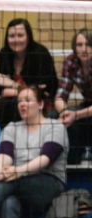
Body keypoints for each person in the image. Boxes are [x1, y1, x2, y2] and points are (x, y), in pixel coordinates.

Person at [0, 84, 68, 218]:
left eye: (27, 100)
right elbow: (4, 154)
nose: (22, 104)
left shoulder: (55, 126)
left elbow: (46, 159)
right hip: (15, 183)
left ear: (40, 104)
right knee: (8, 204)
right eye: (19, 101)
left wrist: (19, 171)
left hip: (48, 183)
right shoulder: (12, 128)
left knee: (5, 184)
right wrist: (0, 170)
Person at [0, 18, 58, 129]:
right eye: (12, 36)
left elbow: (45, 92)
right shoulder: (4, 54)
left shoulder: (41, 53)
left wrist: (11, 84)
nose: (16, 40)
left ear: (28, 36)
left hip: (40, 105)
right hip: (14, 104)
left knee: (15, 104)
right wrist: (28, 90)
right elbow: (2, 92)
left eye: (20, 35)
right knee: (3, 104)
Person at [54, 28, 92, 164]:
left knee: (77, 118)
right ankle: (69, 162)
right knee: (54, 116)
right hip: (87, 104)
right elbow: (60, 96)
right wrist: (64, 113)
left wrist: (75, 115)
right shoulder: (71, 61)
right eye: (80, 45)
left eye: (88, 45)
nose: (84, 49)